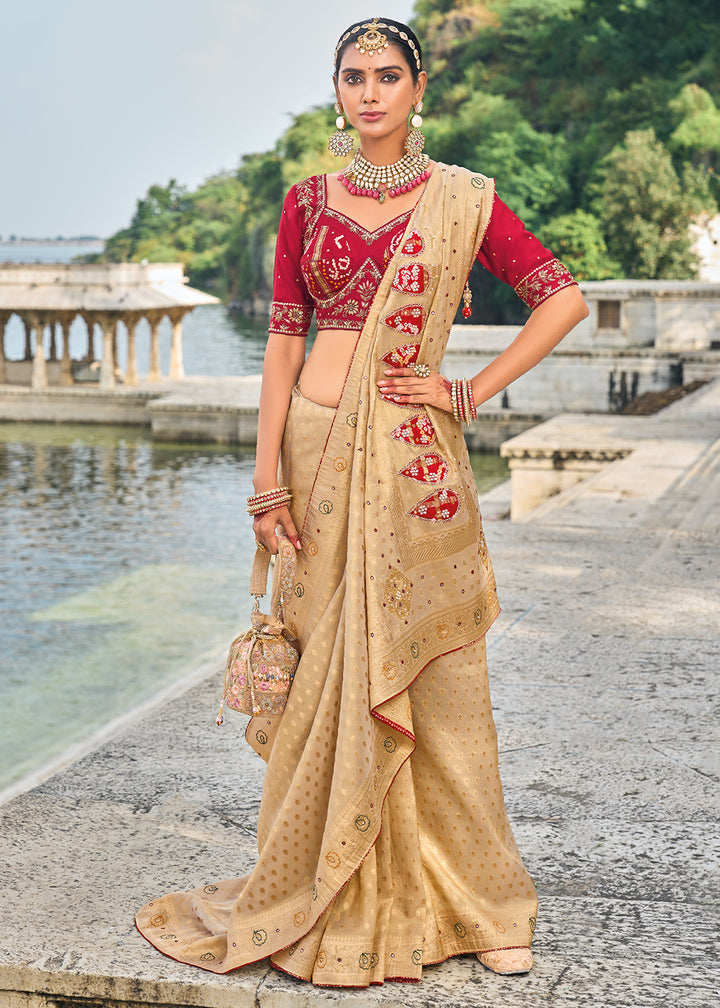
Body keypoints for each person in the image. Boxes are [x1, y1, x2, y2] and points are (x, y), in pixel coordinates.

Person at [135, 16, 588, 988]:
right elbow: (284, 350)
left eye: (388, 75)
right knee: (326, 670)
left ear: (418, 88)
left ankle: (483, 904)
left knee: (443, 679)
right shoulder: (306, 202)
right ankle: (324, 885)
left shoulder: (464, 199)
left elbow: (560, 297)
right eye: (353, 77)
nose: (370, 93)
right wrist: (266, 482)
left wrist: (470, 390)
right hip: (312, 451)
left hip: (414, 457)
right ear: (336, 91)